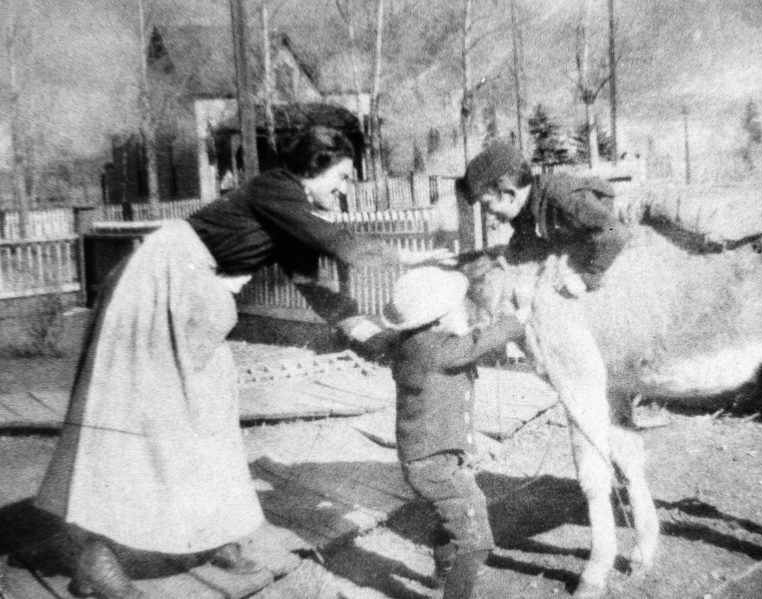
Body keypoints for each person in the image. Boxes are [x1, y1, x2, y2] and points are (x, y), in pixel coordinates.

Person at [34, 126, 401, 599]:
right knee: (133, 416)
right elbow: (340, 243)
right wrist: (413, 263)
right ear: (314, 168)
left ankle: (210, 533)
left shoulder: (288, 215)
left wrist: (371, 337)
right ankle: (94, 558)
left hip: (193, 294)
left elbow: (316, 288)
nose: (346, 189)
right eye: (343, 176)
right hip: (158, 285)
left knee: (209, 409)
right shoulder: (277, 189)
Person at [382, 266, 529, 599]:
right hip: (438, 464)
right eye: (459, 307)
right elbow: (477, 343)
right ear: (438, 320)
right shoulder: (441, 350)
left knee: (451, 516)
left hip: (425, 461)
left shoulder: (412, 343)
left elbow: (464, 342)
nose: (465, 310)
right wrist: (518, 319)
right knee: (476, 539)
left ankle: (444, 572)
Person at [460, 142, 629, 294]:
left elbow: (614, 230)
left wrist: (588, 277)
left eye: (487, 205)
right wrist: (505, 257)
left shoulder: (561, 197)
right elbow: (525, 240)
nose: (488, 215)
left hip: (606, 219)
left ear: (510, 194)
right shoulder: (526, 207)